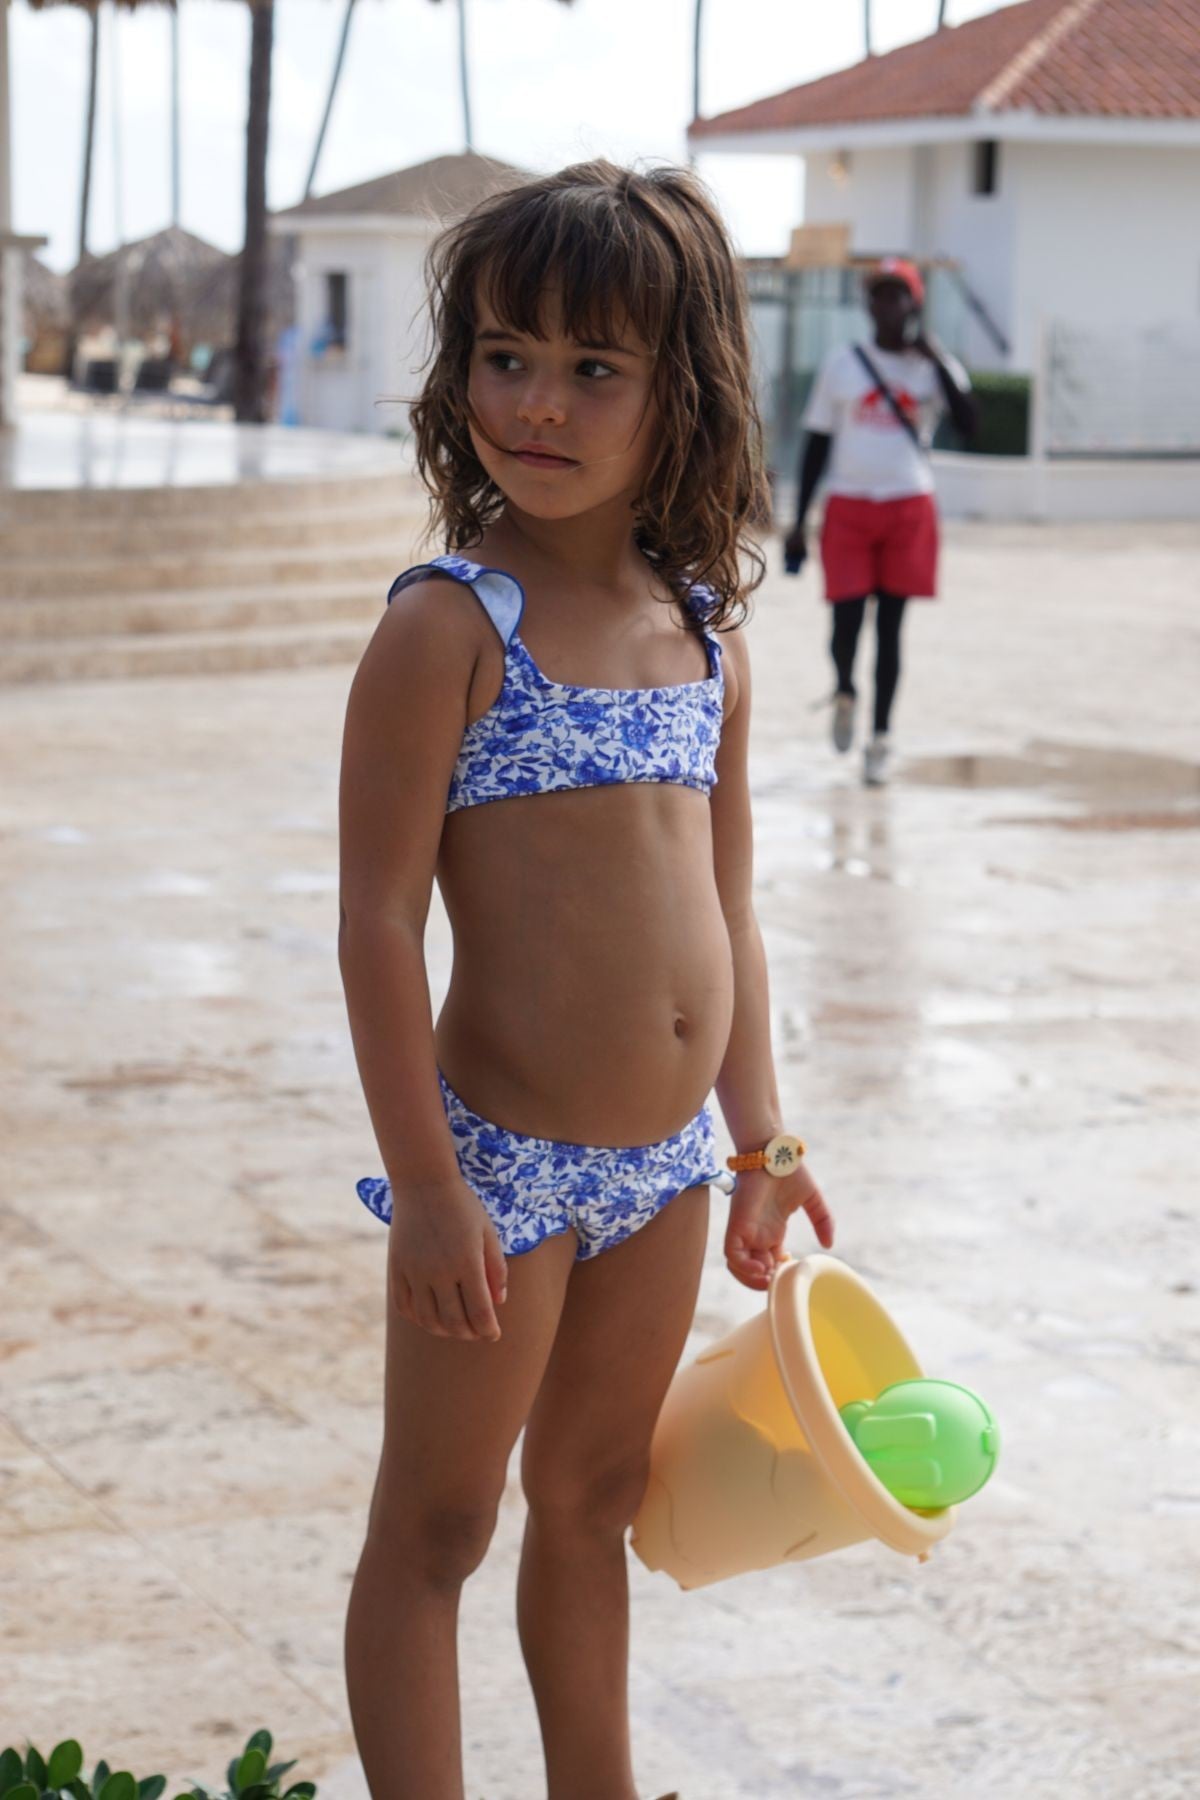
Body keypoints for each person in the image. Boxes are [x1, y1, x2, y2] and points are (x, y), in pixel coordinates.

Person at [338, 160, 835, 1800]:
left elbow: (728, 905)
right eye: (506, 355)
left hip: (666, 1168)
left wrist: (761, 1138)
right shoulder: (448, 629)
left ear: (682, 391)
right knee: (437, 1526)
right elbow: (376, 923)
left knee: (595, 1501)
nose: (537, 403)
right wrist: (427, 1187)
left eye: (593, 367)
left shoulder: (703, 632)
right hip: (498, 1169)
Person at [783, 257, 976, 786]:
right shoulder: (843, 364)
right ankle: (845, 689)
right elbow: (817, 443)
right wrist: (799, 521)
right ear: (868, 305)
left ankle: (881, 738)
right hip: (848, 507)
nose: (887, 304)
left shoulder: (934, 365)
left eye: (898, 294)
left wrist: (936, 361)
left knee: (891, 629)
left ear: (914, 304)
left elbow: (970, 423)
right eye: (879, 294)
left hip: (908, 506)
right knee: (845, 622)